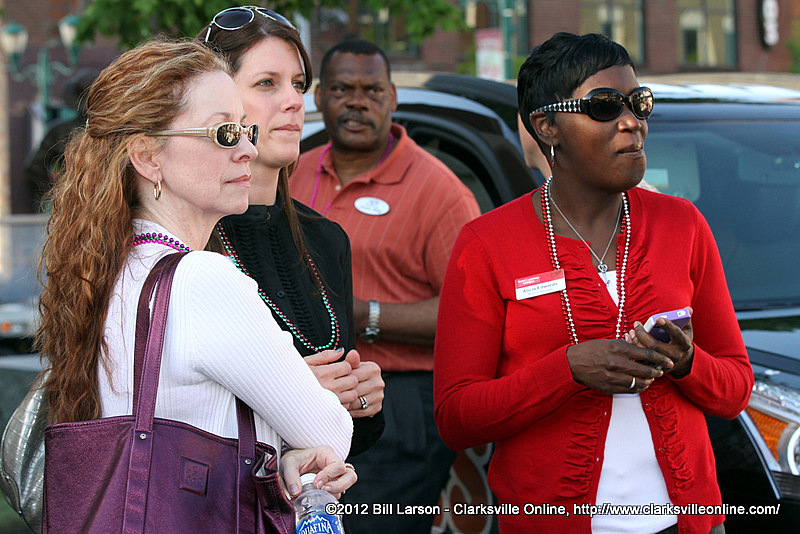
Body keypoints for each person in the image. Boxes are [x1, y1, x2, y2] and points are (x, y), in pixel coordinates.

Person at [434, 32, 753, 533]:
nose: (631, 122)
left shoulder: (682, 224)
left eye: (638, 103)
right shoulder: (487, 244)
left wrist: (686, 361)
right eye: (604, 106)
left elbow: (735, 389)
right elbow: (457, 417)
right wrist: (568, 370)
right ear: (547, 126)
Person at [36, 38, 355, 509]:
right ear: (148, 157)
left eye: (245, 129)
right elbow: (331, 433)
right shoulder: (203, 280)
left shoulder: (111, 265)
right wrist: (300, 409)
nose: (247, 149)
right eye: (224, 133)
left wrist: (284, 445)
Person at [290, 39, 481, 533]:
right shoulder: (293, 171)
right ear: (319, 97)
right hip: (305, 394)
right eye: (342, 89)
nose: (357, 102)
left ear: (392, 96)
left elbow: (471, 316)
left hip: (401, 403)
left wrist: (364, 316)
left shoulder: (440, 191)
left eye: (371, 90)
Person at [197, 6, 384, 457]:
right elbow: (156, 413)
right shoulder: (186, 240)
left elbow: (350, 440)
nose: (295, 101)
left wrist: (362, 400)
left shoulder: (327, 239)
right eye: (267, 83)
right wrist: (292, 396)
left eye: (299, 84)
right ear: (216, 103)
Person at [23, 69, 97, 211]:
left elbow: (34, 167)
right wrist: (55, 193)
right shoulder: (59, 131)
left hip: (79, 201)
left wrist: (55, 192)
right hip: (76, 203)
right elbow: (34, 167)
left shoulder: (59, 130)